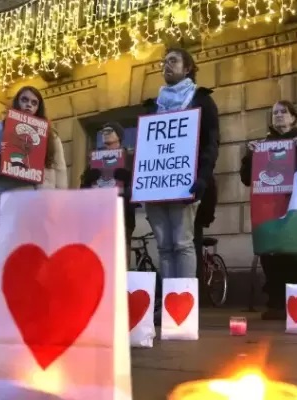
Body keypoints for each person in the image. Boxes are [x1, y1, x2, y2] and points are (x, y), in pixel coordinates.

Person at [239, 100, 297, 320]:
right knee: (270, 254)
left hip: (295, 206)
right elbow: (246, 178)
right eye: (275, 112)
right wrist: (249, 156)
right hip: (269, 209)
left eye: (283, 112)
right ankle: (275, 303)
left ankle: (294, 302)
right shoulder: (262, 145)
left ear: (293, 117)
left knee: (294, 253)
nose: (278, 115)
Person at [143, 47, 219, 281]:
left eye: (173, 61)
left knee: (183, 243)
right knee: (164, 247)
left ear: (187, 69)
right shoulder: (153, 106)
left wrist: (202, 178)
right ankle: (169, 297)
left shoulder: (201, 100)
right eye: (164, 61)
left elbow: (211, 143)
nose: (166, 65)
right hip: (155, 186)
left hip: (184, 184)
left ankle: (183, 299)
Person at [0, 86, 68, 228]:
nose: (29, 105)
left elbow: (60, 172)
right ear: (17, 102)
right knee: (9, 241)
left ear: (38, 108)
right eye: (24, 100)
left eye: (34, 103)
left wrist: (58, 206)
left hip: (42, 207)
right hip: (9, 203)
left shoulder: (51, 137)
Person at [80, 122, 136, 247]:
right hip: (98, 215)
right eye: (103, 132)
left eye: (109, 131)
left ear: (119, 136)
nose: (105, 134)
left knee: (120, 252)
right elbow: (83, 186)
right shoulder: (95, 158)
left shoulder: (129, 157)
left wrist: (127, 180)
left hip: (122, 213)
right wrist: (88, 180)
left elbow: (138, 184)